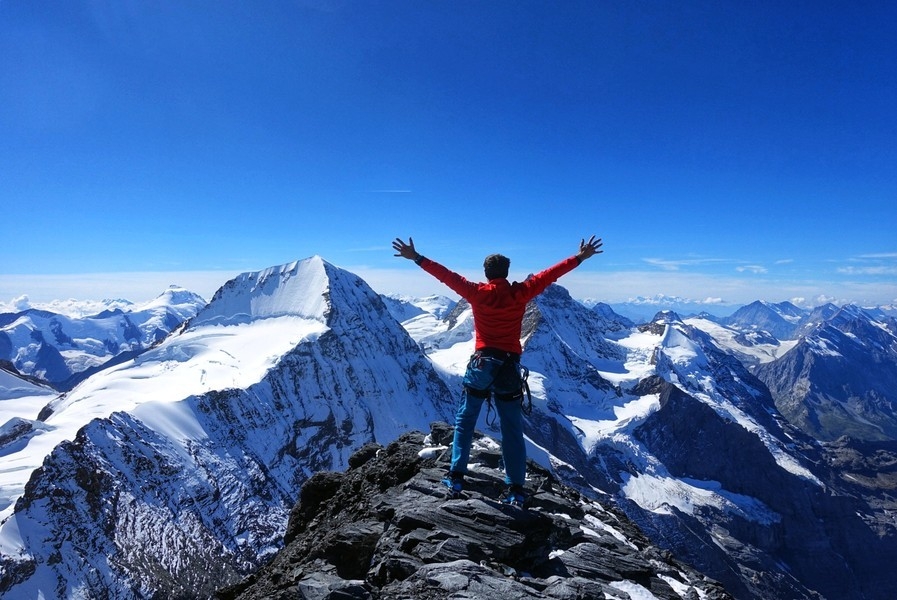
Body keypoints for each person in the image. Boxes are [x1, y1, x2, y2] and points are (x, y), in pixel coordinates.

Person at [392, 235, 603, 505]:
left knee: (465, 422)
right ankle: (515, 489)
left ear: (486, 273)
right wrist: (579, 258)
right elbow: (549, 275)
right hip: (509, 371)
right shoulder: (521, 293)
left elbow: (446, 276)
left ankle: (456, 477)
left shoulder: (476, 293)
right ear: (506, 272)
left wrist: (417, 257)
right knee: (511, 430)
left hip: (481, 366)